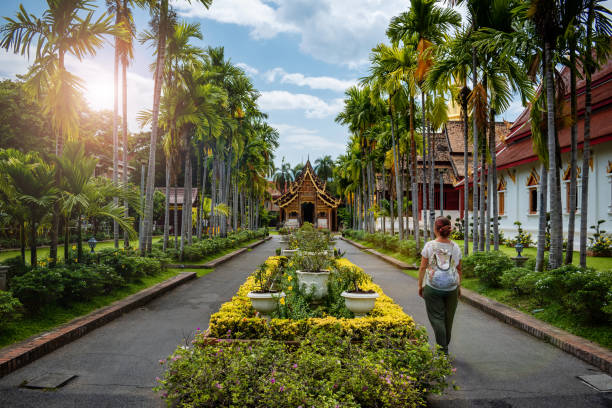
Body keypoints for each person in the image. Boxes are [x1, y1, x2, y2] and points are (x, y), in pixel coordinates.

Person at [418, 216, 462, 355]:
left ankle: (442, 350)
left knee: (437, 318)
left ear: (436, 230)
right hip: (451, 288)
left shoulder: (429, 246)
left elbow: (422, 268)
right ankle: (444, 347)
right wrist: (458, 287)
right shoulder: (455, 247)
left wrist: (420, 285)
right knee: (448, 319)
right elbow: (459, 269)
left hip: (432, 287)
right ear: (448, 230)